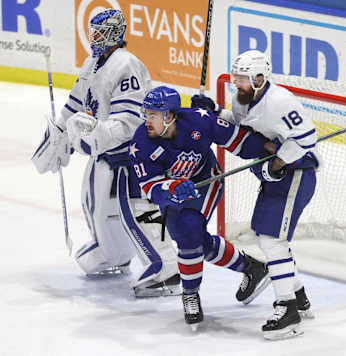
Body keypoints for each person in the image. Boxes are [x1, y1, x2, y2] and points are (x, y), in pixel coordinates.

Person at [31, 9, 180, 298]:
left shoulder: (127, 65)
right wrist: (60, 138)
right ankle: (112, 253)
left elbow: (127, 122)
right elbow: (75, 106)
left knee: (135, 211)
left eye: (99, 33)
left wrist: (93, 132)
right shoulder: (92, 63)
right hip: (104, 155)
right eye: (93, 33)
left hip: (129, 156)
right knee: (94, 205)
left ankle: (168, 268)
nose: (94, 38)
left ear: (114, 34)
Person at [191, 49, 318, 340]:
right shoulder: (241, 99)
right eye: (235, 78)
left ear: (260, 79)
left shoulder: (280, 102)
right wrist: (213, 113)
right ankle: (297, 296)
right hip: (278, 176)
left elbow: (307, 138)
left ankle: (287, 310)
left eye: (243, 79)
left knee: (273, 240)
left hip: (297, 173)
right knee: (265, 235)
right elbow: (240, 126)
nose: (237, 84)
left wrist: (277, 162)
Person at [129, 85, 272, 330]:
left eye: (153, 114)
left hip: (207, 181)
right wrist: (172, 189)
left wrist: (272, 149)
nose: (147, 120)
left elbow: (239, 141)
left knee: (188, 232)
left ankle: (190, 294)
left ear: (170, 115)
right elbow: (151, 188)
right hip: (173, 191)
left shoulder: (198, 120)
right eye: (147, 113)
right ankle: (252, 267)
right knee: (192, 240)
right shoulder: (141, 143)